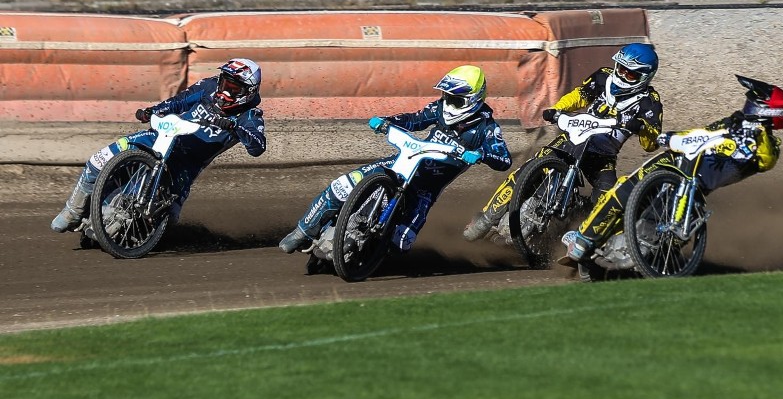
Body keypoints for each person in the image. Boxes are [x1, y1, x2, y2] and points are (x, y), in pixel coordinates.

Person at [559, 75, 783, 266]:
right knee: (623, 189)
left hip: (694, 182)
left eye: (755, 101)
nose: (748, 104)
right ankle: (583, 240)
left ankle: (650, 253)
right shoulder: (734, 122)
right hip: (674, 162)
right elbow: (702, 133)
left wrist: (747, 135)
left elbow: (765, 159)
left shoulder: (766, 144)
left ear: (767, 110)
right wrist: (670, 137)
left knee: (651, 207)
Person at [279, 64, 512, 255]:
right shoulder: (439, 108)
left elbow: (504, 159)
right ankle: (302, 232)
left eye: (456, 100)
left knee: (402, 243)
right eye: (446, 96)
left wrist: (481, 155)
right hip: (400, 164)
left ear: (473, 99)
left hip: (425, 189)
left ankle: (371, 257)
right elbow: (414, 119)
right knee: (341, 185)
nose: (448, 103)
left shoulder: (487, 128)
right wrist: (387, 121)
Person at [462, 43, 664, 242]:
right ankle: (487, 217)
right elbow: (580, 96)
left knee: (608, 198)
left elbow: (651, 144)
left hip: (603, 157)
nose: (621, 75)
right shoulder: (603, 76)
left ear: (645, 76)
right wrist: (557, 109)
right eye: (620, 68)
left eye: (630, 74)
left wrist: (642, 127)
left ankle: (580, 234)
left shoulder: (650, 101)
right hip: (573, 140)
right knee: (528, 169)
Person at [51, 57, 266, 234]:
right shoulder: (209, 85)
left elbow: (257, 147)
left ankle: (116, 226)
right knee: (98, 160)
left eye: (232, 88)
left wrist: (233, 126)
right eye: (224, 83)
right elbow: (180, 100)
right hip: (162, 136)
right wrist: (154, 110)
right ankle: (71, 211)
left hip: (187, 163)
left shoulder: (250, 115)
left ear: (248, 91)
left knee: (168, 222)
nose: (224, 91)